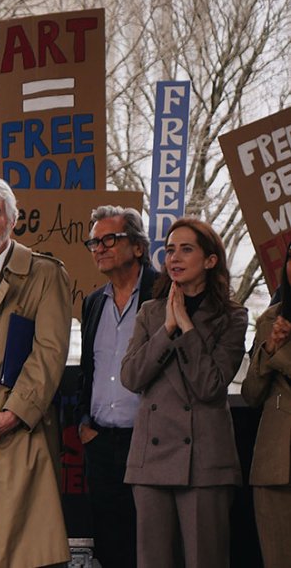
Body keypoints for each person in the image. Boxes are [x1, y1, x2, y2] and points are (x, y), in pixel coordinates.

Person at [0, 177, 71, 568]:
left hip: (21, 433)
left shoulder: (46, 274)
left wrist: (11, 415)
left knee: (20, 552)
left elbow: (50, 353)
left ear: (13, 219)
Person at [121, 217, 246, 568]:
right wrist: (168, 329)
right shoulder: (150, 312)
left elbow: (210, 387)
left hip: (204, 462)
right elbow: (131, 376)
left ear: (210, 260)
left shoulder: (233, 317)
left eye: (186, 249)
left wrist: (187, 328)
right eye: (170, 250)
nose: (174, 258)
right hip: (151, 461)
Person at [76, 206, 157, 568]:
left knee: (152, 545)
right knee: (109, 545)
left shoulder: (164, 291)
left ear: (137, 247)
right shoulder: (93, 302)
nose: (99, 247)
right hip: (101, 442)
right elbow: (88, 370)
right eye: (94, 241)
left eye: (110, 239)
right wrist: (84, 423)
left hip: (151, 440)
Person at [242, 239, 291, 567]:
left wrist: (280, 356)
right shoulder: (270, 320)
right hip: (275, 466)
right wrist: (269, 349)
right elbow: (251, 394)